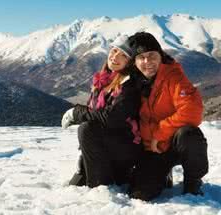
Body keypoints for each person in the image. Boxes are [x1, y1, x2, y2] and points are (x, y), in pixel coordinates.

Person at [127, 32, 208, 201]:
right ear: (134, 62)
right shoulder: (132, 82)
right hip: (151, 150)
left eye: (151, 56)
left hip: (174, 144)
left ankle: (193, 181)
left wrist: (160, 133)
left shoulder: (173, 76)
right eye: (141, 57)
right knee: (140, 195)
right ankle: (163, 175)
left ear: (160, 55)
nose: (147, 62)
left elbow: (193, 110)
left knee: (190, 134)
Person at [61, 36, 142, 188]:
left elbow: (110, 117)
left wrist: (76, 113)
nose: (115, 56)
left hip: (128, 147)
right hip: (112, 143)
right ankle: (101, 174)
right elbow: (97, 114)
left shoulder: (130, 85)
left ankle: (101, 186)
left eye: (123, 55)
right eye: (114, 50)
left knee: (87, 128)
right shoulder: (104, 80)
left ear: (130, 62)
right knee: (77, 180)